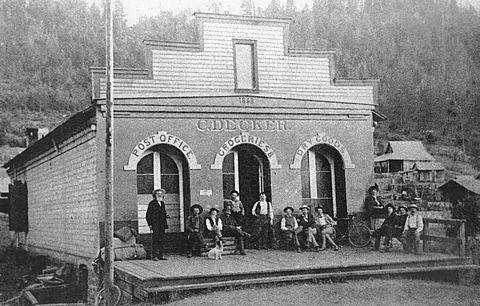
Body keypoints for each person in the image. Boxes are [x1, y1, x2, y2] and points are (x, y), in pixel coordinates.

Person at [146, 188, 169, 260]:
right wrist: (150, 224)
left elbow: (164, 212)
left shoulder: (162, 203)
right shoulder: (152, 203)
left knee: (161, 239)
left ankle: (161, 255)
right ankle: (155, 255)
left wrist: (166, 215)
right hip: (155, 224)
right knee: (155, 240)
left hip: (162, 224)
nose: (160, 195)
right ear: (155, 195)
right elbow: (148, 215)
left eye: (161, 194)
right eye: (158, 194)